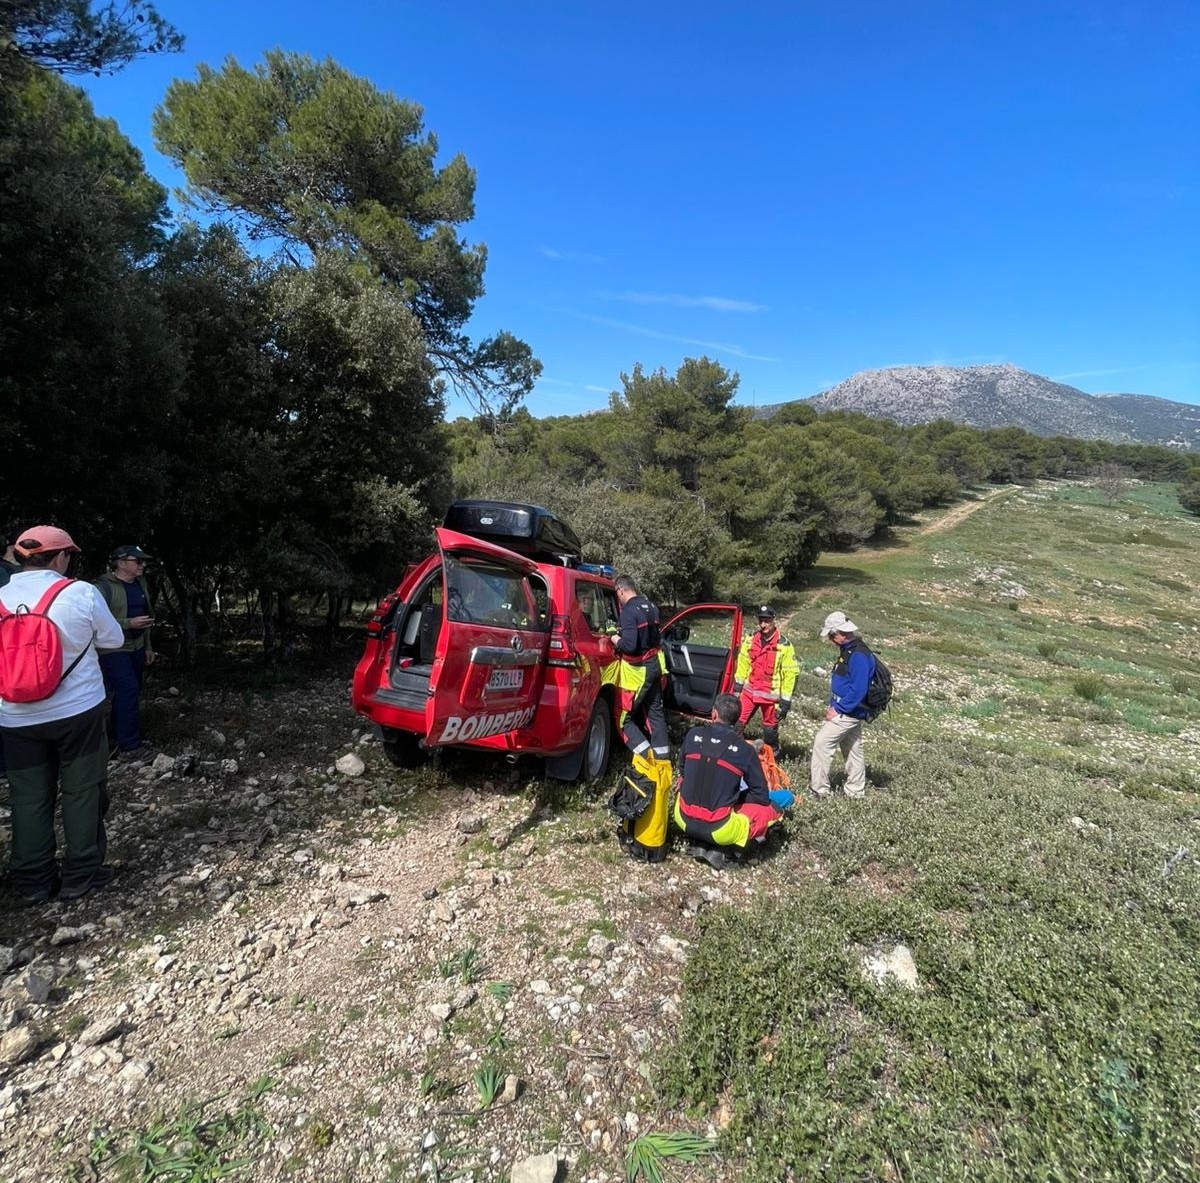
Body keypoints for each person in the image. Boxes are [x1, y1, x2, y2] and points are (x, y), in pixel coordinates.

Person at [0, 525, 124, 902]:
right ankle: (80, 874)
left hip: (14, 716)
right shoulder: (80, 592)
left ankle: (33, 880)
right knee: (83, 790)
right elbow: (113, 639)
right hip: (77, 712)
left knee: (28, 797)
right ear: (61, 557)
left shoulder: (0, 596)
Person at [673, 693, 787, 866]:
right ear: (737, 719)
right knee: (774, 808)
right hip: (719, 829)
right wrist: (736, 797)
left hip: (682, 818)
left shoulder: (692, 734)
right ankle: (730, 851)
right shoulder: (745, 750)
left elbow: (683, 771)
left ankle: (701, 842)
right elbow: (761, 796)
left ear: (714, 714)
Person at [94, 545, 156, 756]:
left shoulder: (141, 584)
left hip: (136, 646)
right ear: (121, 563)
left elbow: (146, 615)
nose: (142, 565)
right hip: (112, 648)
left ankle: (118, 736)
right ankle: (129, 746)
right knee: (127, 689)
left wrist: (148, 646)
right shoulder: (102, 587)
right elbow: (96, 620)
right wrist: (128, 623)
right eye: (137, 561)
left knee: (130, 692)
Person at [811, 610, 872, 799]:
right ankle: (856, 790)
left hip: (849, 712)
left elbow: (858, 690)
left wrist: (838, 709)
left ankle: (819, 790)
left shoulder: (859, 656)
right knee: (853, 748)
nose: (831, 639)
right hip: (849, 710)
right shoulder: (849, 651)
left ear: (841, 633)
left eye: (831, 635)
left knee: (822, 744)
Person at [608, 574, 669, 761]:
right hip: (655, 666)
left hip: (639, 672)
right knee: (655, 715)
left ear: (620, 590)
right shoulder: (651, 607)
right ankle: (663, 762)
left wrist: (614, 638)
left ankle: (647, 758)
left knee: (623, 718)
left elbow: (630, 645)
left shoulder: (628, 611)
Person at [732, 606, 799, 751]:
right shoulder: (750, 639)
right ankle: (734, 750)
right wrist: (737, 687)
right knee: (737, 722)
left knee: (769, 730)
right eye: (761, 621)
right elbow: (743, 663)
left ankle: (772, 755)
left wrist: (786, 701)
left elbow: (790, 674)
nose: (763, 625)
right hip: (750, 692)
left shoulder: (784, 646)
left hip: (771, 697)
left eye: (767, 621)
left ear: (774, 621)